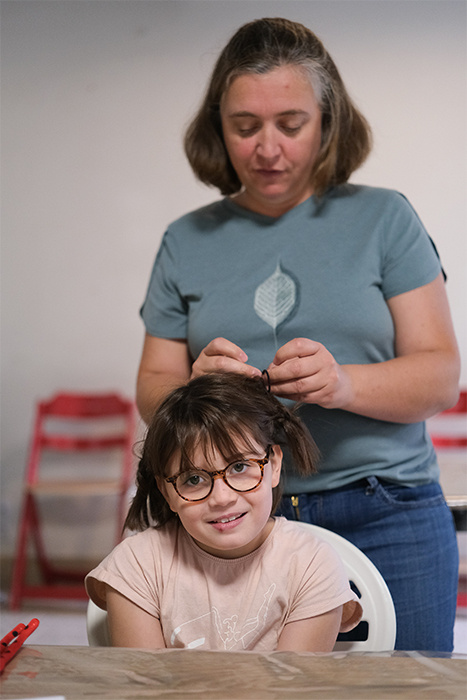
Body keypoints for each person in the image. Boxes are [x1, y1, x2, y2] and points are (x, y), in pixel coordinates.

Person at [136, 18, 461, 651]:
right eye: (245, 126)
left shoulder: (384, 218)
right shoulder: (185, 240)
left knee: (407, 695)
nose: (267, 149)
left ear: (328, 122)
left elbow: (440, 376)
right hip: (231, 516)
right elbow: (153, 387)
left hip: (386, 512)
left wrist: (340, 383)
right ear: (216, 127)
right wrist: (194, 392)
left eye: (291, 124)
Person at [86, 373, 362, 651]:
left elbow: (290, 690)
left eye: (240, 467)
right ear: (166, 490)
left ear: (274, 465)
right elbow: (145, 688)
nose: (221, 498)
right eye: (193, 479)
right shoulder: (136, 564)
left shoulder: (312, 564)